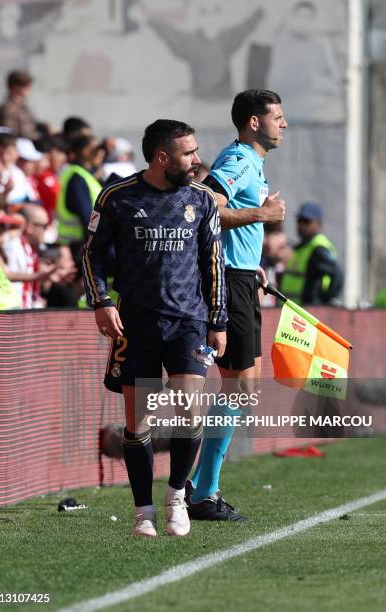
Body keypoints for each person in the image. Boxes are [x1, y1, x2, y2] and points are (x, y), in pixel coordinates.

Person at [83, 119, 227, 538]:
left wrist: (217, 320)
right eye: (189, 153)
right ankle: (143, 510)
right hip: (137, 323)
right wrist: (102, 302)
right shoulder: (117, 197)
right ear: (163, 157)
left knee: (188, 407)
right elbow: (91, 254)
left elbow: (212, 262)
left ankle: (177, 496)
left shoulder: (201, 200)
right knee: (138, 420)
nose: (198, 160)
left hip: (189, 322)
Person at [186, 89, 287, 520]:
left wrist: (253, 264)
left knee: (243, 389)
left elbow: (233, 220)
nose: (284, 124)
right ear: (253, 122)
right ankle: (202, 492)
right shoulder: (240, 159)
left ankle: (198, 487)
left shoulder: (254, 163)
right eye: (277, 117)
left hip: (241, 276)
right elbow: (208, 205)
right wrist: (262, 217)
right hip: (227, 279)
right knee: (240, 387)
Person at [280, 201, 343, 305]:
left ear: (318, 224)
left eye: (307, 221)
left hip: (308, 312)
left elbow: (338, 275)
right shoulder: (301, 247)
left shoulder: (318, 249)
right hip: (293, 312)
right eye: (300, 221)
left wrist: (323, 302)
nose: (302, 225)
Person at [56, 134, 102, 245]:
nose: (101, 153)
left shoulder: (81, 175)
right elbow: (88, 218)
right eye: (97, 149)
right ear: (86, 151)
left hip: (77, 244)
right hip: (78, 246)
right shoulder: (78, 179)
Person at [0, 70, 39, 140]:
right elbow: (9, 133)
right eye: (25, 85)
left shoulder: (22, 106)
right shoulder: (9, 108)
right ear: (14, 87)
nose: (29, 88)